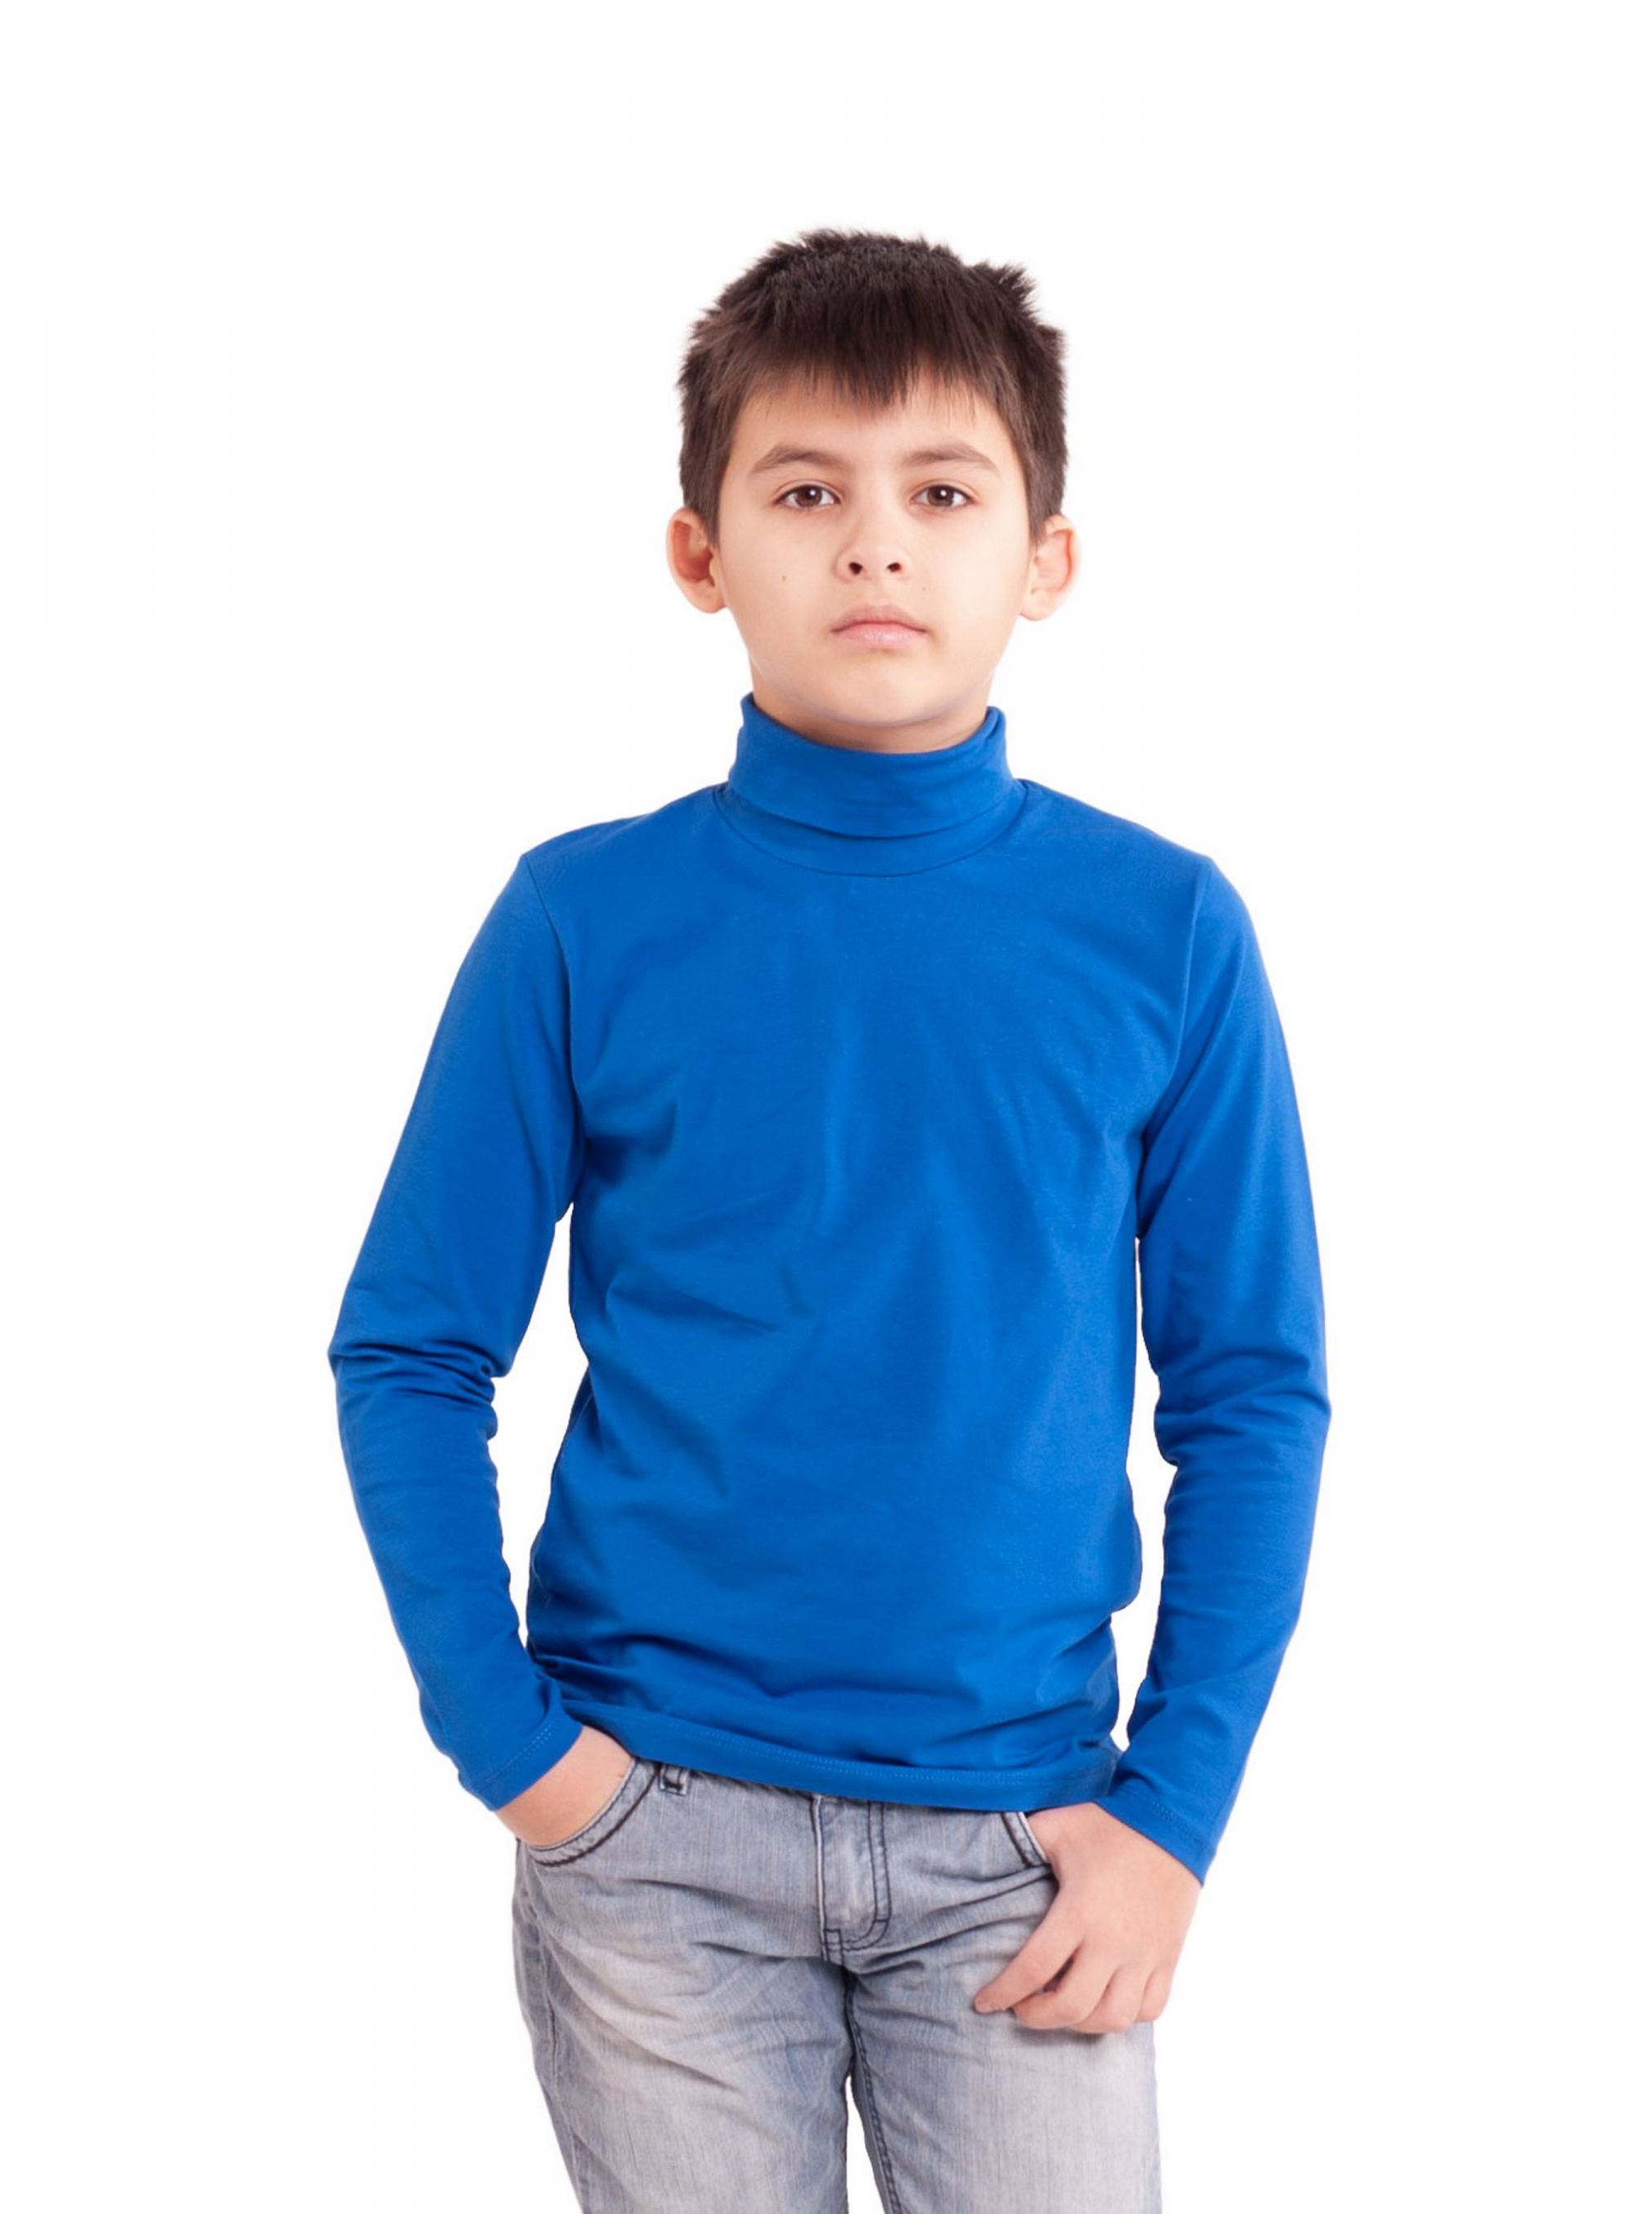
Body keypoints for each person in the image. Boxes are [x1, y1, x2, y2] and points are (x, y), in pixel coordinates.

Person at [327, 225, 1331, 2212]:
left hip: (1024, 1842)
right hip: (649, 1833)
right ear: (698, 550)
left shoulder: (1162, 932)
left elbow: (1250, 1393)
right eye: (804, 493)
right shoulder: (580, 920)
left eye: (941, 494)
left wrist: (1172, 1817)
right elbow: (411, 1347)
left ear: (1044, 557)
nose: (875, 545)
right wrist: (516, 1753)